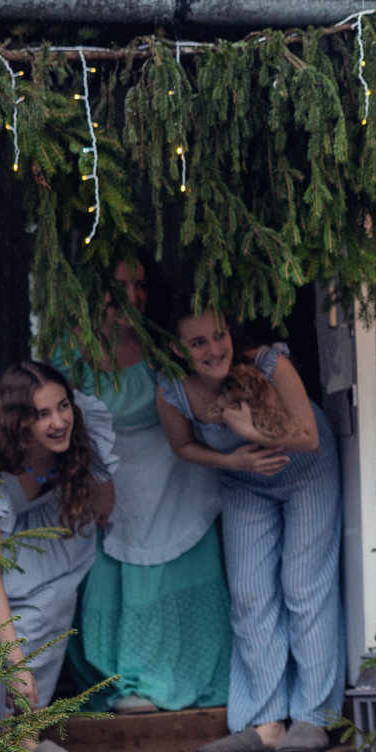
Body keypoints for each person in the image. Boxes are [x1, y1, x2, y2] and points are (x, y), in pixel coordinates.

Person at [154, 305, 344, 752]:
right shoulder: (174, 390)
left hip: (306, 471)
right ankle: (265, 722)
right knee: (250, 594)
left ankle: (313, 717)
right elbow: (182, 446)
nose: (213, 349)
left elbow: (309, 437)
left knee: (303, 585)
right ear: (179, 350)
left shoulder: (269, 364)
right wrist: (233, 460)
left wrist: (248, 429)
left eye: (218, 335)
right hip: (244, 481)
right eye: (198, 343)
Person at [73, 259, 232, 715]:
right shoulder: (73, 350)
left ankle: (179, 675)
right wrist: (95, 479)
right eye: (119, 285)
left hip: (173, 467)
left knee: (176, 573)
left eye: (140, 285)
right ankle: (123, 679)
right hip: (108, 471)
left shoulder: (164, 345)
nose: (132, 296)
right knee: (113, 582)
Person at [0, 360, 120, 752]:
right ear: (19, 422)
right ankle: (7, 743)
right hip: (6, 569)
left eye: (63, 406)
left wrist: (93, 459)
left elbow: (104, 508)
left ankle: (31, 736)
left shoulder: (75, 441)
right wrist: (15, 664)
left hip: (54, 554)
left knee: (54, 611)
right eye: (42, 413)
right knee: (19, 636)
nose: (59, 421)